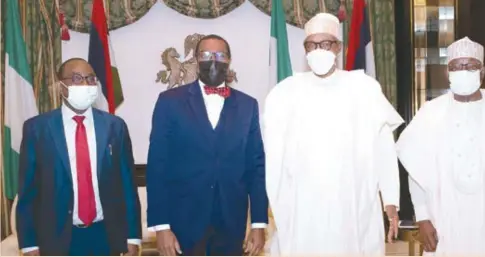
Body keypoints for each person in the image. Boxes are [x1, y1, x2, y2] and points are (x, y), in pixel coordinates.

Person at [263, 13, 404, 255]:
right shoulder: (284, 93)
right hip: (303, 207)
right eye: (312, 45)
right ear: (305, 49)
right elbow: (272, 156)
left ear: (338, 47)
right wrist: (277, 202)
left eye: (325, 44)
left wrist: (390, 199)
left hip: (353, 204)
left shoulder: (364, 89)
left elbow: (384, 148)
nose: (319, 50)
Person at [396, 37, 485, 256]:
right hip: (445, 222)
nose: (463, 71)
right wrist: (423, 217)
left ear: (482, 71)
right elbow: (416, 172)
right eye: (456, 66)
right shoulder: (430, 113)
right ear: (448, 72)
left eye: (470, 66)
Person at [146, 34, 268, 256]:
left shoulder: (248, 105)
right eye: (205, 55)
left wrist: (259, 224)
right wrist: (161, 226)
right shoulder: (169, 101)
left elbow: (256, 167)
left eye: (220, 55)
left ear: (229, 60)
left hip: (231, 223)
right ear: (195, 59)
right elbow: (157, 166)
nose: (213, 60)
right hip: (183, 222)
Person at [16, 58, 142, 256]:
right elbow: (28, 191)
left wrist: (133, 237)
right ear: (61, 86)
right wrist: (30, 244)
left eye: (91, 79)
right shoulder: (37, 129)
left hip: (106, 235)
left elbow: (127, 185)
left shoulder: (115, 126)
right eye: (77, 78)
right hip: (57, 237)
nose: (85, 84)